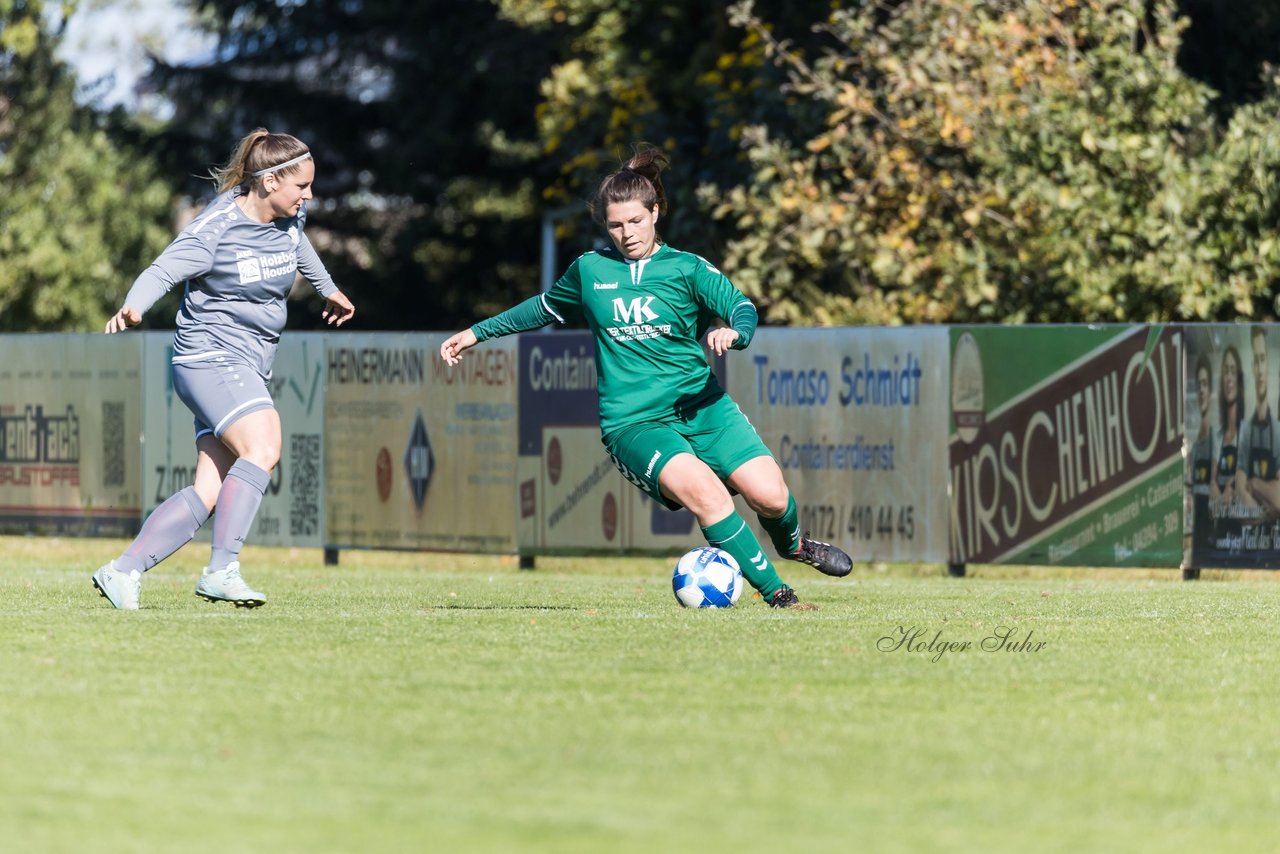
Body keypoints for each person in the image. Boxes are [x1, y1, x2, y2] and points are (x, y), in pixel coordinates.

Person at [439, 143, 852, 608]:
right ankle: (781, 596)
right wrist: (476, 332)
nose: (627, 233)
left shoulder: (687, 268)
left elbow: (741, 306)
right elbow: (541, 308)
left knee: (772, 497)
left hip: (704, 407)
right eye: (615, 225)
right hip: (634, 423)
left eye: (636, 220)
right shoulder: (590, 271)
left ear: (655, 212)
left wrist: (736, 333)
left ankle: (795, 546)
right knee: (709, 496)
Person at [92, 129, 355, 610]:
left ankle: (122, 571)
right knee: (264, 445)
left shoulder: (290, 217)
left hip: (244, 364)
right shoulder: (215, 229)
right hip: (210, 358)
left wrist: (328, 288)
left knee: (208, 490)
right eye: (302, 187)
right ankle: (222, 570)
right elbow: (162, 270)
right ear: (270, 180)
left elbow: (299, 248)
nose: (309, 195)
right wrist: (134, 307)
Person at [1210, 343, 1244, 547]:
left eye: (1233, 371)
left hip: (1242, 524)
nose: (1229, 378)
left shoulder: (1246, 435)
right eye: (1225, 372)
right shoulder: (1218, 437)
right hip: (1220, 524)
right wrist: (1220, 495)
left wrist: (1232, 486)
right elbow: (1212, 480)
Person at [1188, 353, 1213, 552]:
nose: (1201, 390)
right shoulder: (1193, 442)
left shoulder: (1218, 437)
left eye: (1205, 384)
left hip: (1210, 517)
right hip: (1193, 516)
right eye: (1198, 385)